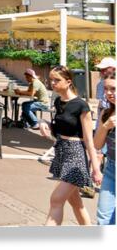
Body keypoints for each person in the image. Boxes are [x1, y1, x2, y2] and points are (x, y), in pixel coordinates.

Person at [38, 65, 102, 225]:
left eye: (56, 80)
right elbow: (59, 129)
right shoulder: (59, 101)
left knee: (56, 200)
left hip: (76, 157)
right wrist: (44, 123)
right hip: (62, 153)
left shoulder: (81, 106)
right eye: (51, 79)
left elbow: (88, 139)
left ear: (68, 82)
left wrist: (96, 169)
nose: (52, 83)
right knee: (76, 204)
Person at [93, 74, 115, 225]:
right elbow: (97, 145)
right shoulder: (106, 113)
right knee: (103, 219)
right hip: (111, 169)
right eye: (105, 89)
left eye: (113, 89)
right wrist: (106, 126)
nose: (108, 93)